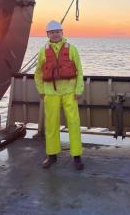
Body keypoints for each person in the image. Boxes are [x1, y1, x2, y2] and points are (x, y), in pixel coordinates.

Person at [34, 20, 84, 170]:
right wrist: (41, 90)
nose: (55, 34)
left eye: (57, 32)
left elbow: (80, 71)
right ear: (47, 34)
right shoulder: (43, 51)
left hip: (69, 92)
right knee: (51, 125)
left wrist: (78, 90)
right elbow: (38, 73)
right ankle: (51, 155)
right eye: (52, 32)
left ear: (62, 32)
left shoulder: (72, 49)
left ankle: (77, 156)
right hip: (50, 93)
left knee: (74, 123)